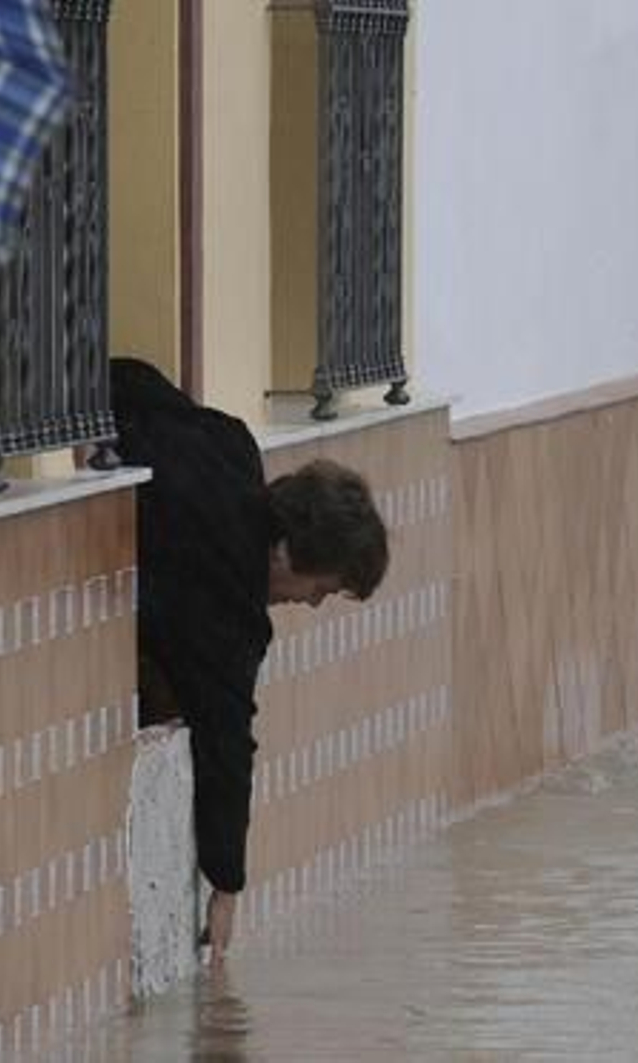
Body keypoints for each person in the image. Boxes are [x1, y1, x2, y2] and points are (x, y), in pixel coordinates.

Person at [110, 357, 389, 963]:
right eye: (321, 587)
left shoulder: (232, 446)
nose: (311, 604)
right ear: (286, 553)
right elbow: (227, 743)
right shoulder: (230, 605)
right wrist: (227, 885)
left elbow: (131, 376)